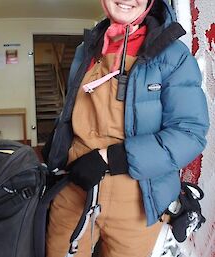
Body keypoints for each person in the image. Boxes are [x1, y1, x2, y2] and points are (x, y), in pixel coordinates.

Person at [42, 0, 209, 256]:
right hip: (74, 184)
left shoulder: (174, 56)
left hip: (139, 198)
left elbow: (189, 133)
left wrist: (110, 157)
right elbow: (71, 114)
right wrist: (55, 154)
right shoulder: (85, 50)